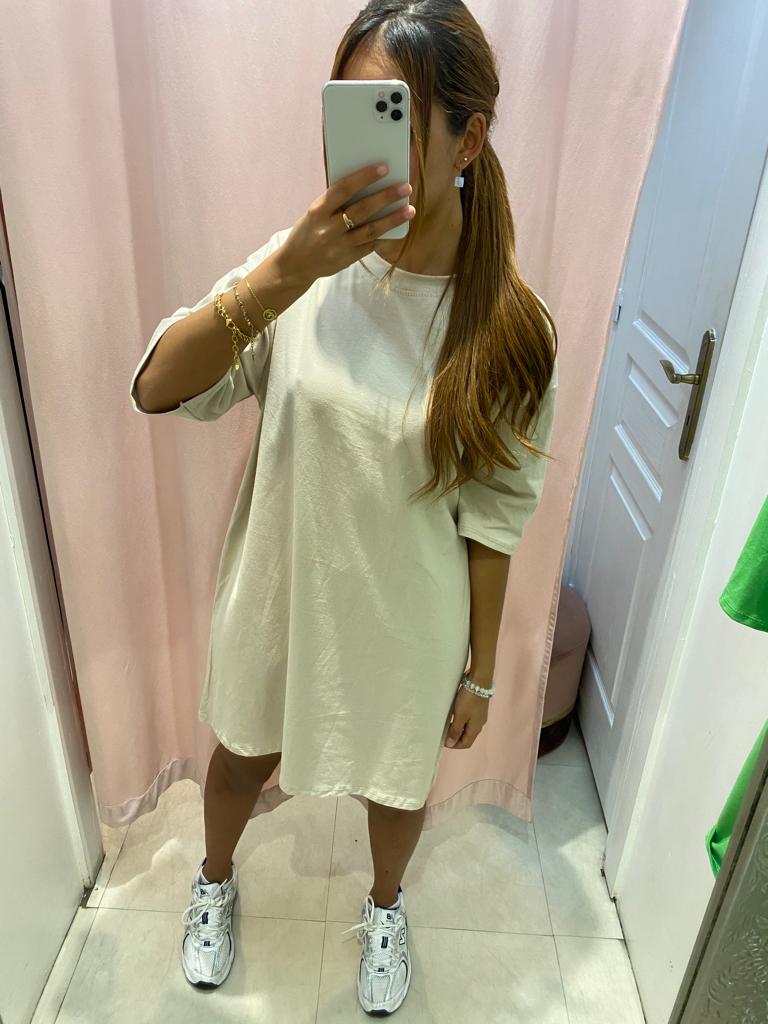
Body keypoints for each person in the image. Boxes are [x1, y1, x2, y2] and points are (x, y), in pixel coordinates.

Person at [129, 0, 558, 1015]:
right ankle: (214, 879)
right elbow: (156, 386)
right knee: (240, 759)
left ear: (468, 138)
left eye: (390, 112)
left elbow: (497, 511)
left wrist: (481, 671)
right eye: (347, 108)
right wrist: (284, 272)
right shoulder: (303, 269)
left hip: (409, 613)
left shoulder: (509, 328)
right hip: (284, 590)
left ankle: (385, 906)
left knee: (395, 784)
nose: (357, 139)